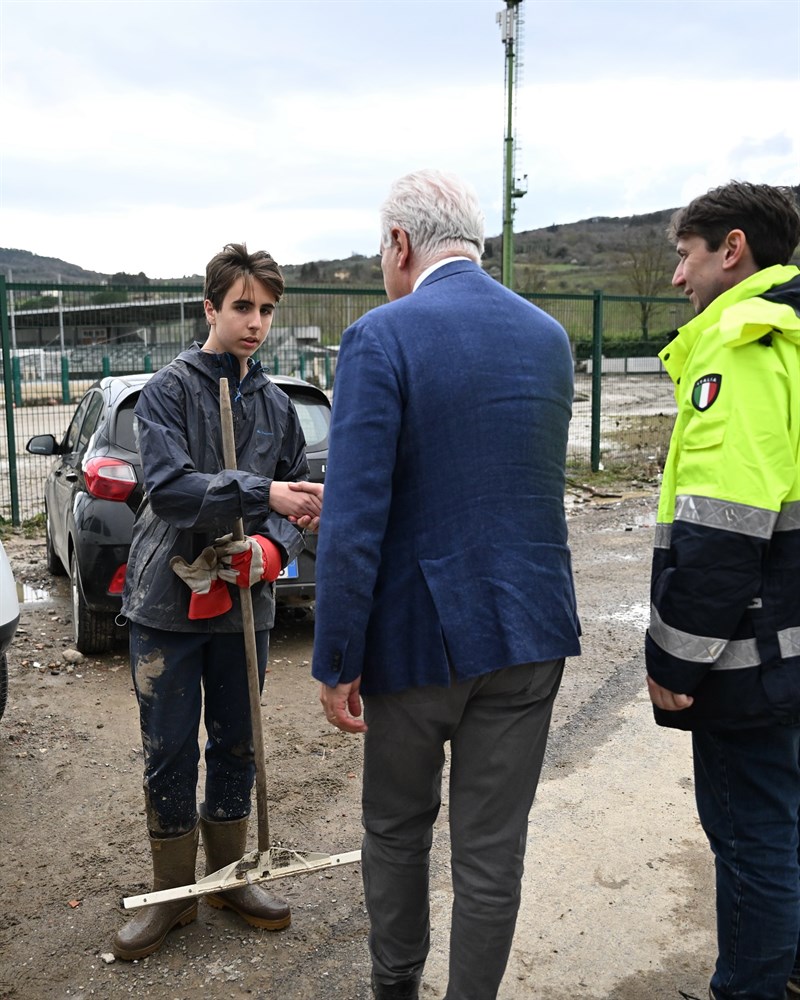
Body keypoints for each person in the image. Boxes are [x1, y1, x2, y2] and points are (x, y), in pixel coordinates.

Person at [311, 169, 581, 1000]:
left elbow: (355, 519)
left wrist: (336, 656)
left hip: (416, 641)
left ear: (400, 244)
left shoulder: (382, 336)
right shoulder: (547, 336)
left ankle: (395, 988)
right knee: (492, 852)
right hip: (533, 628)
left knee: (397, 830)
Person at [112, 243, 323, 961]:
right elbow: (169, 491)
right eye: (242, 307)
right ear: (210, 307)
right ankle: (172, 900)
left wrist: (267, 551)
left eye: (266, 309)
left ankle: (230, 878)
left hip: (245, 608)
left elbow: (295, 504)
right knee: (168, 750)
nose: (256, 322)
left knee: (239, 741)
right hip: (168, 606)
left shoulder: (275, 406)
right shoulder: (167, 392)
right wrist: (261, 493)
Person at [644, 182, 800, 1000]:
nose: (678, 277)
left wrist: (675, 657)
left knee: (753, 835)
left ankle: (750, 988)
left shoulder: (742, 346)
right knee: (791, 822)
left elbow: (723, 528)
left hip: (754, 656)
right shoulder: (794, 336)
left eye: (685, 254)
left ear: (731, 248)